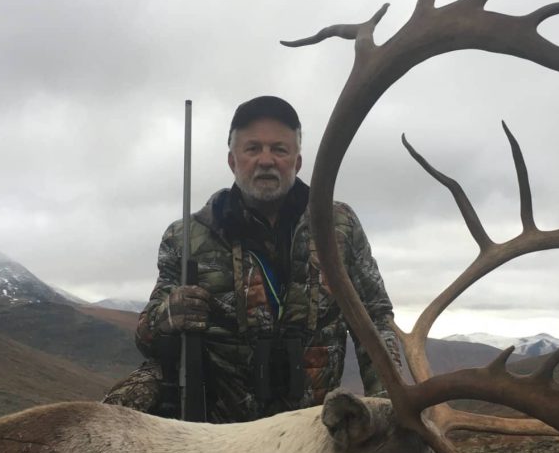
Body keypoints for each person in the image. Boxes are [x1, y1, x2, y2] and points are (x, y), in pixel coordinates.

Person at [103, 95, 401, 423]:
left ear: (297, 162)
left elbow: (374, 318)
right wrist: (167, 317)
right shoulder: (185, 236)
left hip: (315, 427)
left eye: (279, 149)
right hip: (222, 435)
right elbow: (146, 339)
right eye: (253, 148)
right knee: (113, 413)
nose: (266, 160)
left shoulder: (339, 225)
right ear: (233, 161)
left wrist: (390, 409)